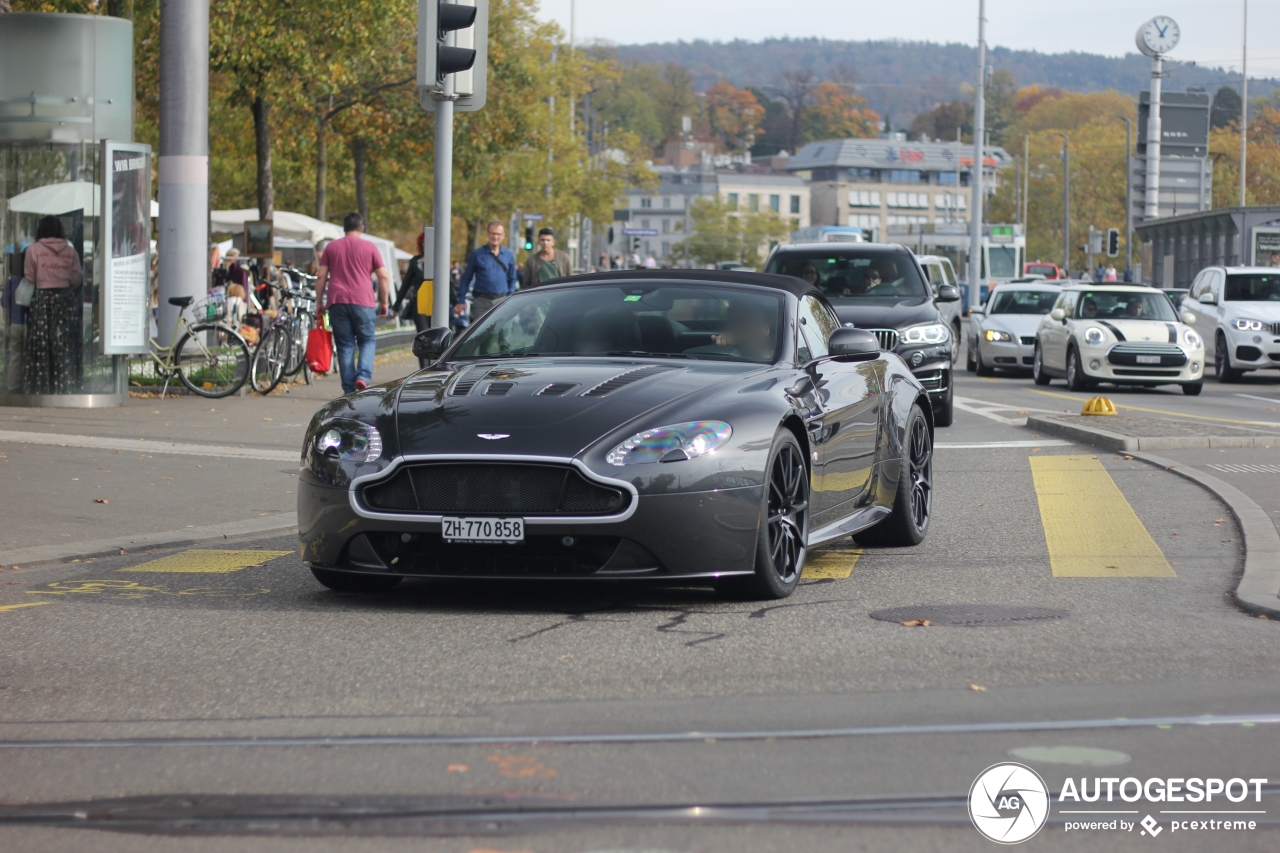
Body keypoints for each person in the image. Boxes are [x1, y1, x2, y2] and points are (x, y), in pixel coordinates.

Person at [316, 212, 391, 394]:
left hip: (337, 300)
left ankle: (348, 388)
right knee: (367, 340)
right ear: (361, 228)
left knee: (345, 344)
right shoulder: (370, 247)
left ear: (344, 228)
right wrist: (385, 302)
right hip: (363, 300)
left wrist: (319, 301)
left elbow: (321, 275)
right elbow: (383, 276)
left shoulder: (331, 247)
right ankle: (363, 377)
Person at [23, 216, 83, 394]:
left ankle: (41, 386)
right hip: (64, 298)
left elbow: (29, 277)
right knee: (63, 343)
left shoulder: (33, 249)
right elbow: (77, 277)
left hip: (42, 297)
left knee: (42, 343)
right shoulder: (70, 251)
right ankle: (65, 384)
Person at [454, 220, 517, 322]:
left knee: (504, 334)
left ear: (503, 235)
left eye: (498, 234)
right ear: (487, 234)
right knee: (480, 335)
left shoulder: (509, 255)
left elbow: (512, 279)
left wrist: (510, 298)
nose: (495, 237)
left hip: (502, 301)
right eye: (492, 233)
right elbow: (466, 278)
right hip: (481, 302)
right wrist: (461, 300)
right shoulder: (477, 254)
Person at [392, 231, 433, 367]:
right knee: (423, 336)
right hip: (419, 303)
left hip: (436, 304)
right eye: (423, 243)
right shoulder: (415, 261)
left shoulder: (440, 259)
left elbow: (448, 283)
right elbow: (405, 285)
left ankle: (436, 366)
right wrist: (396, 306)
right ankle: (424, 368)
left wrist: (456, 302)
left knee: (436, 336)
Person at [3, 250, 27, 392]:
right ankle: (29, 383)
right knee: (31, 356)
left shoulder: (11, 282)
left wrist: (8, 320)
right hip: (30, 324)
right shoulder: (31, 281)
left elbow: (4, 303)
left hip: (15, 324)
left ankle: (13, 387)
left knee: (15, 356)